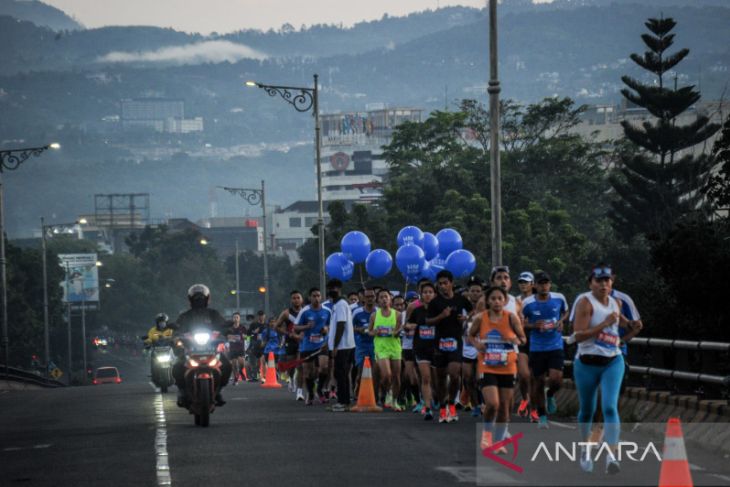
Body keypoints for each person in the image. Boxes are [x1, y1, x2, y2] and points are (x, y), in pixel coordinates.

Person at [572, 264, 633, 474]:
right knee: (587, 410)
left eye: (607, 280)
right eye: (599, 281)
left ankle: (612, 457)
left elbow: (624, 324)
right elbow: (578, 335)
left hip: (612, 361)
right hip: (586, 364)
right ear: (591, 283)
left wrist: (631, 327)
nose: (604, 285)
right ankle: (585, 450)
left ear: (612, 282)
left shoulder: (616, 302)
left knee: (609, 407)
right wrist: (603, 325)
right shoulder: (584, 303)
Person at [469, 286, 525, 452]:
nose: (496, 302)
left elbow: (523, 338)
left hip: (508, 366)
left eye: (500, 298)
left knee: (504, 407)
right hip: (487, 365)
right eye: (493, 298)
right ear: (488, 301)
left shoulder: (511, 318)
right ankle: (487, 435)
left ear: (504, 300)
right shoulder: (481, 318)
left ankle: (499, 442)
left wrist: (516, 340)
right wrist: (477, 344)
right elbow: (470, 335)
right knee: (493, 403)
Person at [520, 272, 569, 429]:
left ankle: (551, 394)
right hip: (537, 347)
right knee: (539, 382)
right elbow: (519, 323)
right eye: (541, 283)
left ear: (550, 284)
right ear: (535, 285)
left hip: (555, 345)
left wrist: (561, 322)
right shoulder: (527, 303)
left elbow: (566, 312)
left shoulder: (559, 298)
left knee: (557, 379)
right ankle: (542, 416)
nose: (544, 286)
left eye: (546, 283)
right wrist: (534, 326)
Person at [172, 284, 231, 407]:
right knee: (177, 366)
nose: (199, 299)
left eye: (201, 297)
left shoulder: (213, 314)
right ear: (191, 299)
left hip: (211, 349)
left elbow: (223, 324)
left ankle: (218, 391)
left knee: (227, 365)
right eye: (196, 297)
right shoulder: (185, 316)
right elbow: (177, 329)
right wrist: (176, 336)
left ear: (207, 298)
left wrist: (227, 330)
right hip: (191, 350)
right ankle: (182, 392)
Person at [428, 270, 473, 423]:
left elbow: (475, 311)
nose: (442, 286)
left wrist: (466, 317)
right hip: (439, 342)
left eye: (445, 283)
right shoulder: (435, 302)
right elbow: (428, 321)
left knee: (454, 375)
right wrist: (441, 316)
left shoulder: (461, 299)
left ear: (451, 283)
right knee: (441, 378)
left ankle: (452, 404)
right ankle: (442, 408)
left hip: (456, 341)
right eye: (440, 284)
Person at [294, 288, 331, 405]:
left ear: (321, 297)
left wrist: (326, 329)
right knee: (308, 372)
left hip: (322, 344)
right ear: (310, 298)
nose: (316, 298)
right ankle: (310, 393)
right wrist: (306, 327)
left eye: (318, 296)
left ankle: (320, 390)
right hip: (308, 346)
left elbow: (331, 325)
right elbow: (295, 327)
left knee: (324, 367)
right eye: (314, 296)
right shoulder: (304, 311)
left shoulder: (327, 311)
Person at [369, 289, 403, 411]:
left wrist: (396, 332)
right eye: (381, 297)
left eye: (386, 297)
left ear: (390, 299)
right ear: (378, 301)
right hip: (381, 348)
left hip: (395, 347)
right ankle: (388, 392)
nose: (384, 299)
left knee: (397, 377)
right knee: (386, 375)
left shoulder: (398, 314)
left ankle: (394, 401)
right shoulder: (374, 315)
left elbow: (400, 331)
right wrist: (375, 332)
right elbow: (370, 332)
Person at [409, 281, 438, 420]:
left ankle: (439, 401)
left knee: (438, 380)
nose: (427, 295)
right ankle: (427, 408)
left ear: (435, 295)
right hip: (421, 348)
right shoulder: (417, 311)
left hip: (437, 349)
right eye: (425, 292)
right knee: (425, 378)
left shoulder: (440, 310)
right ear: (421, 295)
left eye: (430, 292)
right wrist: (413, 326)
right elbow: (406, 325)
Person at [327, 279, 356, 412]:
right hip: (343, 345)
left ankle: (343, 402)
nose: (330, 292)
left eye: (332, 289)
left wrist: (335, 346)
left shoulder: (340, 304)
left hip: (343, 346)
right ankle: (344, 401)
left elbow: (341, 325)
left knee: (341, 374)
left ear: (338, 289)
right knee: (341, 374)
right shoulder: (338, 304)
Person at [462, 276, 484, 417]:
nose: (475, 293)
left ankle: (483, 404)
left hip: (481, 347)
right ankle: (475, 405)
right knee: (468, 378)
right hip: (466, 347)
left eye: (478, 291)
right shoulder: (462, 308)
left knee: (479, 379)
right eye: (472, 291)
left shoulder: (486, 308)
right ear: (468, 292)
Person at [275, 291, 305, 397]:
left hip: (303, 341)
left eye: (298, 297)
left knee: (300, 365)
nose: (296, 300)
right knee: (292, 365)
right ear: (291, 300)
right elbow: (276, 326)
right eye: (294, 298)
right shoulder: (286, 313)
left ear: (302, 299)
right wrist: (287, 333)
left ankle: (300, 391)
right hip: (290, 341)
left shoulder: (306, 311)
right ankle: (291, 378)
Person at [515, 271, 535, 419]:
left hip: (537, 341)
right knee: (523, 375)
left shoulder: (537, 299)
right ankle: (524, 398)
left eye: (526, 282)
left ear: (532, 284)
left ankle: (534, 407)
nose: (523, 284)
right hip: (521, 341)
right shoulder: (514, 301)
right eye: (521, 282)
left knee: (535, 377)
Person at [352, 288, 377, 398]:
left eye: (372, 296)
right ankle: (358, 391)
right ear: (363, 298)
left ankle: (375, 395)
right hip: (361, 345)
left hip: (376, 345)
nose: (370, 299)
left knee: (376, 372)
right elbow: (349, 327)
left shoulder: (379, 312)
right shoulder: (357, 312)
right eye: (367, 297)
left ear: (375, 298)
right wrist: (359, 330)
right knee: (361, 371)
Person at [395, 294, 419, 410]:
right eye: (411, 301)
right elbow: (398, 331)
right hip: (406, 347)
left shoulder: (423, 312)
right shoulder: (402, 315)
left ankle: (410, 396)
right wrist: (405, 329)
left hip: (421, 347)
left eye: (415, 300)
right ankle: (404, 396)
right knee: (409, 375)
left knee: (419, 375)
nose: (413, 303)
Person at [225, 312, 247, 384]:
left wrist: (245, 337)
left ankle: (241, 371)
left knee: (242, 364)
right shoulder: (230, 328)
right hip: (233, 348)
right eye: (234, 317)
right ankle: (235, 379)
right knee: (234, 364)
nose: (236, 319)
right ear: (232, 319)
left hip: (241, 348)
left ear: (239, 319)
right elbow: (228, 337)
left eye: (237, 317)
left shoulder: (243, 327)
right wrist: (233, 338)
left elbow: (247, 337)